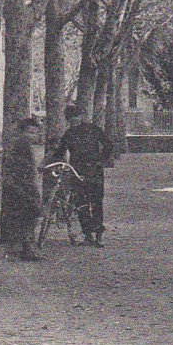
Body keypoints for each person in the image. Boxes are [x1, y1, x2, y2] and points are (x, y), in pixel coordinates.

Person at [59, 103, 111, 246]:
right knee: (81, 204)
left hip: (95, 172)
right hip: (77, 172)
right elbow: (60, 151)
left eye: (76, 118)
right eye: (71, 119)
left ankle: (98, 234)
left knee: (96, 202)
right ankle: (88, 235)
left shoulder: (94, 130)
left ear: (82, 117)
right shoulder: (68, 134)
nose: (74, 121)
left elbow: (108, 145)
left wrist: (100, 160)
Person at [3, 116, 43, 261]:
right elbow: (23, 169)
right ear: (25, 131)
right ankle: (27, 249)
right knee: (29, 216)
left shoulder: (20, 142)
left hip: (20, 185)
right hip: (23, 186)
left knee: (25, 217)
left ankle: (26, 248)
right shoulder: (22, 144)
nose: (35, 136)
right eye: (32, 133)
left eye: (36, 133)